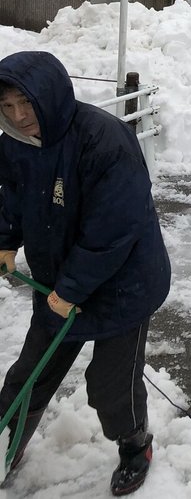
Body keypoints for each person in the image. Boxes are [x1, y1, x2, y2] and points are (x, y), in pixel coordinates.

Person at [0, 51, 171, 496]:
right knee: (29, 374)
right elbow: (12, 194)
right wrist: (6, 239)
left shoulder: (104, 140)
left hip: (123, 286)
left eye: (26, 104)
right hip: (60, 282)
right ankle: (7, 441)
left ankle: (136, 446)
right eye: (6, 107)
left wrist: (71, 289)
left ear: (49, 97)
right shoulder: (15, 140)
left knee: (111, 387)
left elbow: (115, 230)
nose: (18, 117)